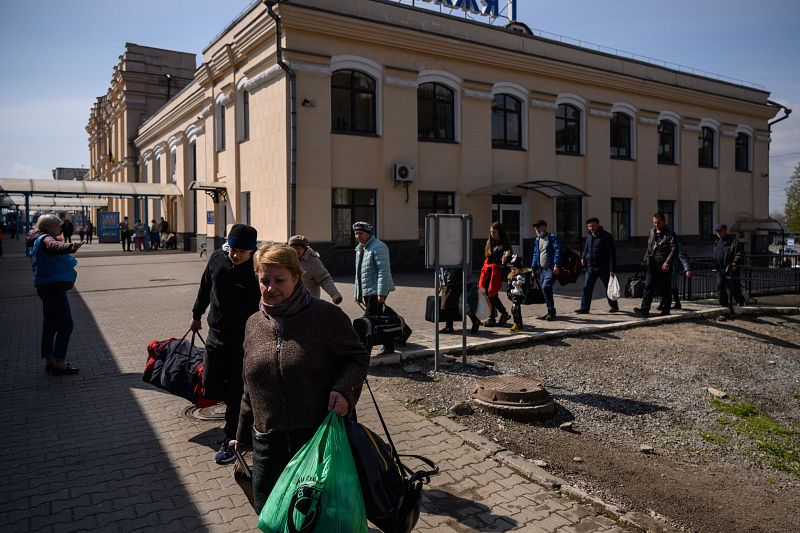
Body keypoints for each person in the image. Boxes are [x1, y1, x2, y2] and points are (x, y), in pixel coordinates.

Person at [230, 244, 370, 513]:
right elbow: (250, 386)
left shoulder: (326, 316)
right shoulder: (253, 324)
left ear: (296, 277)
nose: (271, 288)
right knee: (271, 514)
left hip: (318, 441)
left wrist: (344, 390)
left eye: (279, 280)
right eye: (264, 281)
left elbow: (357, 358)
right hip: (268, 444)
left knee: (318, 517)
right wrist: (241, 437)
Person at [190, 224, 260, 464]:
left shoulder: (257, 270)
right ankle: (239, 415)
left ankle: (232, 438)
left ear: (252, 251)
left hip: (243, 341)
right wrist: (196, 315)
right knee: (210, 382)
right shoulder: (217, 259)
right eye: (233, 249)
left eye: (242, 251)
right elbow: (205, 287)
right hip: (215, 336)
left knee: (236, 391)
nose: (235, 255)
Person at [26, 214, 84, 375]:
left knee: (50, 324)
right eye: (58, 226)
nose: (60, 228)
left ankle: (50, 360)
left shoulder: (38, 239)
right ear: (50, 227)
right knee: (66, 324)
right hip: (52, 287)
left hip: (46, 286)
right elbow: (54, 246)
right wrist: (70, 247)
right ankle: (59, 363)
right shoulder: (46, 239)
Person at [352, 221, 396, 355]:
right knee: (380, 317)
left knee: (368, 321)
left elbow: (384, 271)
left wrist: (381, 293)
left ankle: (365, 351)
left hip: (376, 290)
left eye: (361, 233)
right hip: (368, 290)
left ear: (368, 234)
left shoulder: (378, 247)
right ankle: (389, 345)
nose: (358, 236)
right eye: (356, 233)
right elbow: (359, 274)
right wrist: (358, 294)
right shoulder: (360, 248)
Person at [634, 212, 677, 318]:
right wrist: (644, 260)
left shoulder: (670, 234)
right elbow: (649, 248)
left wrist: (667, 262)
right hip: (651, 264)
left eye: (658, 222)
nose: (656, 225)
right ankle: (644, 310)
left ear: (664, 222)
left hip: (663, 265)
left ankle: (666, 310)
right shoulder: (652, 232)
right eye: (654, 222)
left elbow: (674, 249)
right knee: (648, 286)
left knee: (665, 288)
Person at [576, 217, 618, 314]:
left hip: (604, 268)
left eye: (593, 226)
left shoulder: (606, 236)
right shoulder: (589, 235)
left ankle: (614, 306)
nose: (591, 228)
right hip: (590, 268)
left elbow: (612, 254)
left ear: (598, 225)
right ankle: (584, 308)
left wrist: (612, 269)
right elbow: (586, 248)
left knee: (608, 287)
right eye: (589, 226)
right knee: (587, 288)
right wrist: (583, 257)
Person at [287, 235, 343, 304]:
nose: (296, 251)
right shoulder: (287, 259)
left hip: (309, 301)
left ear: (305, 249)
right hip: (292, 301)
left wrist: (334, 294)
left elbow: (324, 279)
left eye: (299, 248)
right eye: (294, 248)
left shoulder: (313, 261)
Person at [478, 222, 511, 327]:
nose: (492, 234)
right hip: (488, 271)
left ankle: (503, 313)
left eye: (494, 232)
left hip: (497, 272)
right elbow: (487, 256)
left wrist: (506, 257)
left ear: (500, 232)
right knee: (487, 294)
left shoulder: (505, 244)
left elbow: (509, 258)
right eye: (491, 232)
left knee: (492, 294)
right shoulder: (490, 242)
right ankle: (493, 317)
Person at [531, 220, 561, 321]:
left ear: (544, 227)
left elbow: (557, 251)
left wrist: (556, 265)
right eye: (535, 227)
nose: (536, 229)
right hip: (542, 270)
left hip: (551, 269)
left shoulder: (552, 238)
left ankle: (551, 311)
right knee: (546, 290)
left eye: (538, 227)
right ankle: (550, 311)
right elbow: (535, 255)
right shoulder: (537, 240)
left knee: (545, 287)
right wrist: (533, 268)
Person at [712, 223, 745, 311]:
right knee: (720, 286)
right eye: (717, 232)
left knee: (734, 287)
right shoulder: (717, 242)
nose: (718, 233)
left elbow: (739, 253)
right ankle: (724, 304)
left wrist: (735, 263)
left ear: (725, 231)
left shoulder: (733, 242)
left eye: (720, 231)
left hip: (731, 269)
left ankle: (740, 301)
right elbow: (716, 255)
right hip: (720, 269)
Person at [438, 267, 480, 334]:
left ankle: (475, 320)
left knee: (456, 305)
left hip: (454, 281)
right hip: (449, 281)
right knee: (449, 305)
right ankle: (449, 327)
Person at [660, 242, 692, 311]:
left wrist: (687, 269)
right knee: (672, 287)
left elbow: (683, 258)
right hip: (667, 270)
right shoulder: (665, 243)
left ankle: (663, 304)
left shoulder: (676, 245)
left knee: (668, 287)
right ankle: (677, 303)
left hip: (674, 270)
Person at [506, 255, 529, 332]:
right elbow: (509, 286)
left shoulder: (520, 276)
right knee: (515, 310)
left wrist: (519, 283)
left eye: (514, 269)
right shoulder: (511, 275)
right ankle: (519, 324)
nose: (513, 270)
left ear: (519, 269)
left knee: (515, 310)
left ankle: (517, 324)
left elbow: (523, 283)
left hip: (518, 295)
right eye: (511, 269)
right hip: (514, 295)